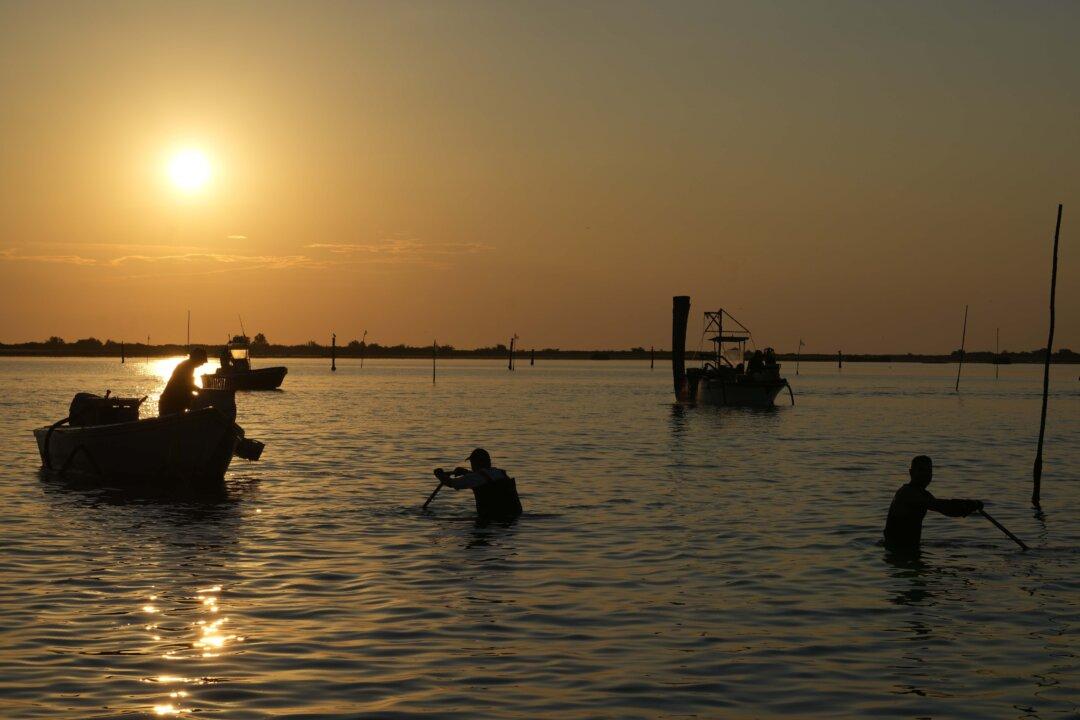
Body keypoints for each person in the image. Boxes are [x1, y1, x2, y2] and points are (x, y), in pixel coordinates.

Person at [883, 455, 982, 552]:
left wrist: (969, 506)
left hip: (909, 549)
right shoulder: (907, 493)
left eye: (929, 471)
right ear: (911, 473)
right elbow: (942, 506)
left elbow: (947, 510)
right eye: (921, 470)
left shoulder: (923, 494)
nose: (925, 474)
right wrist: (969, 505)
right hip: (898, 552)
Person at [434, 448, 522, 521]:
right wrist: (466, 472)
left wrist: (439, 474)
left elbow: (451, 483)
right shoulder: (499, 473)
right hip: (514, 519)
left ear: (475, 463)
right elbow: (483, 479)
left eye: (472, 462)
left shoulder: (477, 478)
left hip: (494, 519)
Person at [159, 347, 208, 416]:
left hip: (174, 402)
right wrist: (201, 392)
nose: (202, 364)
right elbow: (186, 386)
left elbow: (188, 387)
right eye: (202, 361)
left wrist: (199, 392)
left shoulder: (189, 366)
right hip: (170, 404)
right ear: (197, 358)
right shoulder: (186, 367)